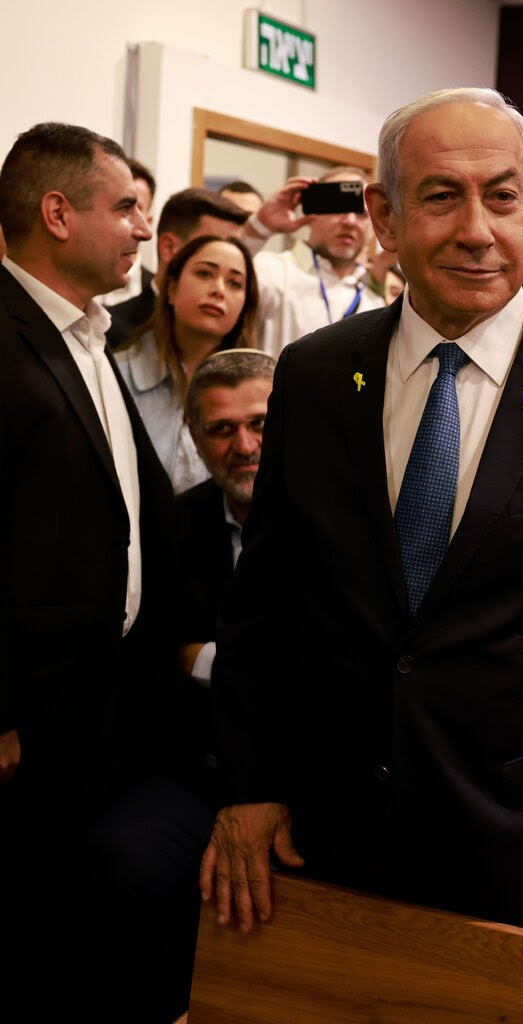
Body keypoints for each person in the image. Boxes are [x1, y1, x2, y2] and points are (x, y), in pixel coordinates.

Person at [201, 86, 523, 994]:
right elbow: (264, 607)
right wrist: (246, 785)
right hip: (320, 844)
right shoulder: (313, 377)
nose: (477, 230)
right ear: (383, 217)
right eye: (441, 197)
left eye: (501, 197)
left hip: (522, 863)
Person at [0, 122, 211, 1021]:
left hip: (99, 698)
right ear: (57, 212)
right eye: (125, 206)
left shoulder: (88, 333)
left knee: (67, 926)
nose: (141, 228)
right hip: (26, 713)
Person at [116, 234, 259, 492]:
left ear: (244, 307)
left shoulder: (262, 388)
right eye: (205, 274)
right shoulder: (118, 374)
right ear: (171, 289)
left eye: (235, 283)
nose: (218, 290)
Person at [177, 348, 275, 687]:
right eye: (221, 429)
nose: (245, 446)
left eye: (260, 423)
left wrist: (205, 659)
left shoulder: (338, 517)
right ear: (194, 436)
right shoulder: (172, 525)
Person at [238, 165, 386, 356]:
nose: (349, 220)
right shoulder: (269, 272)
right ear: (312, 210)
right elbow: (219, 275)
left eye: (361, 213)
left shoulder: (375, 304)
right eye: (338, 206)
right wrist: (258, 228)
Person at [107, 187, 249, 347]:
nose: (219, 289)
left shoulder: (237, 344)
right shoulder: (109, 331)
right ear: (169, 248)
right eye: (211, 246)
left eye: (235, 283)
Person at [99, 157, 158, 305]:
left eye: (138, 208)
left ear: (148, 222)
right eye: (123, 207)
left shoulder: (160, 297)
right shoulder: (68, 283)